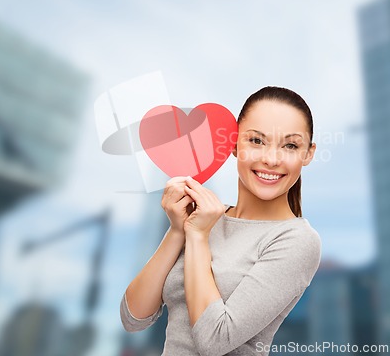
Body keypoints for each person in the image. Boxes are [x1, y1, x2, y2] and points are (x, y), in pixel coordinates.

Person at [120, 86, 322, 356]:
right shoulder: (204, 218)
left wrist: (198, 236)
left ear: (308, 154)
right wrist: (179, 229)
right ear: (234, 144)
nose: (271, 159)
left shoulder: (297, 240)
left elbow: (215, 340)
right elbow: (133, 318)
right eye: (257, 141)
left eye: (290, 145)